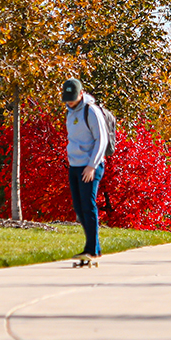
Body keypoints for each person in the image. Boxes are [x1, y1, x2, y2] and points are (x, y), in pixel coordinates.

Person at [63, 78, 108, 260]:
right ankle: (94, 248)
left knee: (88, 206)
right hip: (74, 165)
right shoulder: (69, 113)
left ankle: (91, 250)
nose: (69, 102)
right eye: (67, 99)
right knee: (79, 207)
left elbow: (101, 139)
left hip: (90, 166)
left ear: (81, 94)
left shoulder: (91, 111)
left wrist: (92, 165)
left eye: (72, 98)